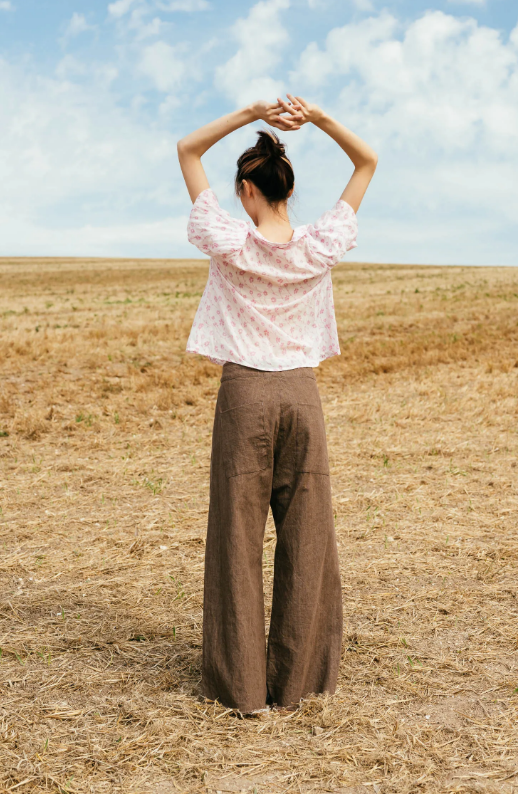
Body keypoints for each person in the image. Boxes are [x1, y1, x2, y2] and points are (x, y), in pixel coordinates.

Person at [177, 94, 377, 715]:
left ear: (246, 188)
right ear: (286, 189)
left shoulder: (229, 242)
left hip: (244, 395)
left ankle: (241, 689)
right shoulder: (319, 245)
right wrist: (315, 118)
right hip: (300, 395)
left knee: (236, 539)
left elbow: (186, 150)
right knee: (308, 534)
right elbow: (367, 162)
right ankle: (297, 685)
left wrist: (250, 113)